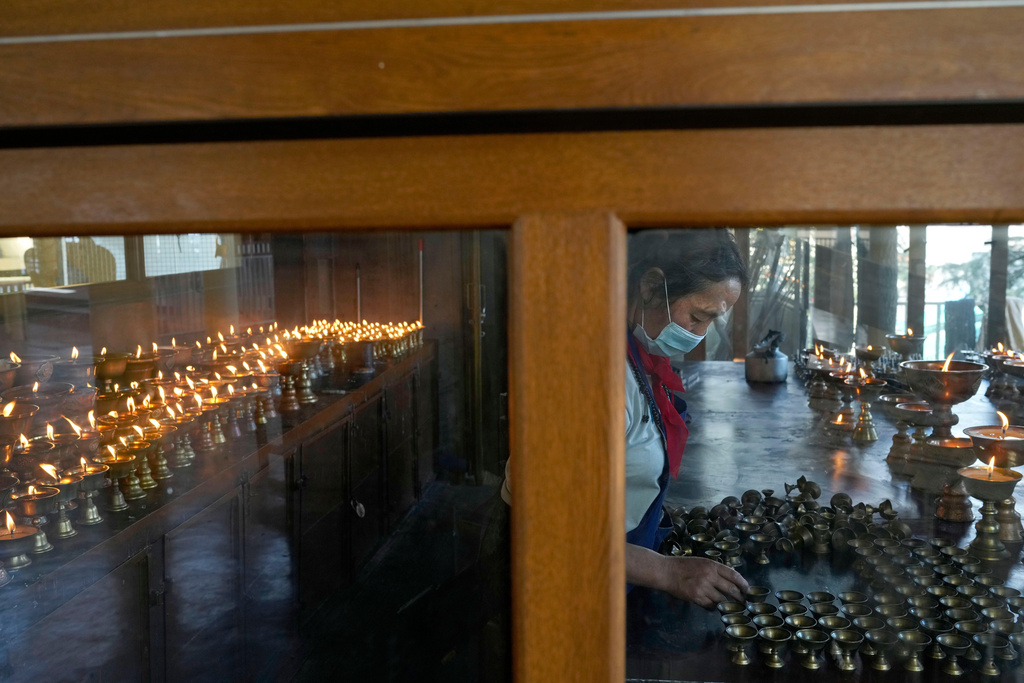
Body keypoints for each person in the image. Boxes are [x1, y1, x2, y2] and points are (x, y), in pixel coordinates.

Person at [624, 229, 749, 608]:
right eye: (696, 316)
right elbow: (552, 527)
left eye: (710, 321)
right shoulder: (591, 377)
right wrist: (667, 572)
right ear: (650, 286)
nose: (698, 334)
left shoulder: (638, 359)